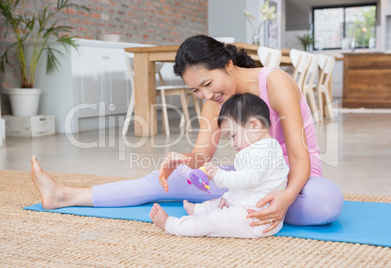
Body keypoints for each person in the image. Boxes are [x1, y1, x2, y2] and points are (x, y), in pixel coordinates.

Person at [30, 35, 344, 233]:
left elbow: (301, 155)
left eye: (208, 84)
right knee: (165, 178)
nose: (205, 95)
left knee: (325, 202)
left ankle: (243, 207)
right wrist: (184, 160)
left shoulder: (275, 82)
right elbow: (202, 156)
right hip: (245, 179)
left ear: (228, 64)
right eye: (196, 90)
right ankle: (65, 195)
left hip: (291, 177)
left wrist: (287, 197)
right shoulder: (215, 99)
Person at [149, 93, 289, 238]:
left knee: (209, 222)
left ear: (254, 125)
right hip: (247, 206)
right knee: (220, 201)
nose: (232, 144)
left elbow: (249, 179)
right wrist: (228, 195)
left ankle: (172, 225)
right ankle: (198, 209)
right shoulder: (260, 147)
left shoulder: (263, 152)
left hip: (254, 219)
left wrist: (219, 175)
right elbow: (248, 186)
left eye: (233, 136)